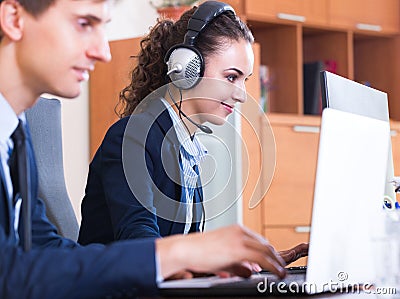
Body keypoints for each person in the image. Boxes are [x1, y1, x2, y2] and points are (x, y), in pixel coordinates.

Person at [0, 0, 307, 298]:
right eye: (84, 23)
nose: (103, 52)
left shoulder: (16, 136)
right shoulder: (132, 138)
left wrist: (228, 261)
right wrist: (180, 254)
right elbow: (13, 274)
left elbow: (42, 252)